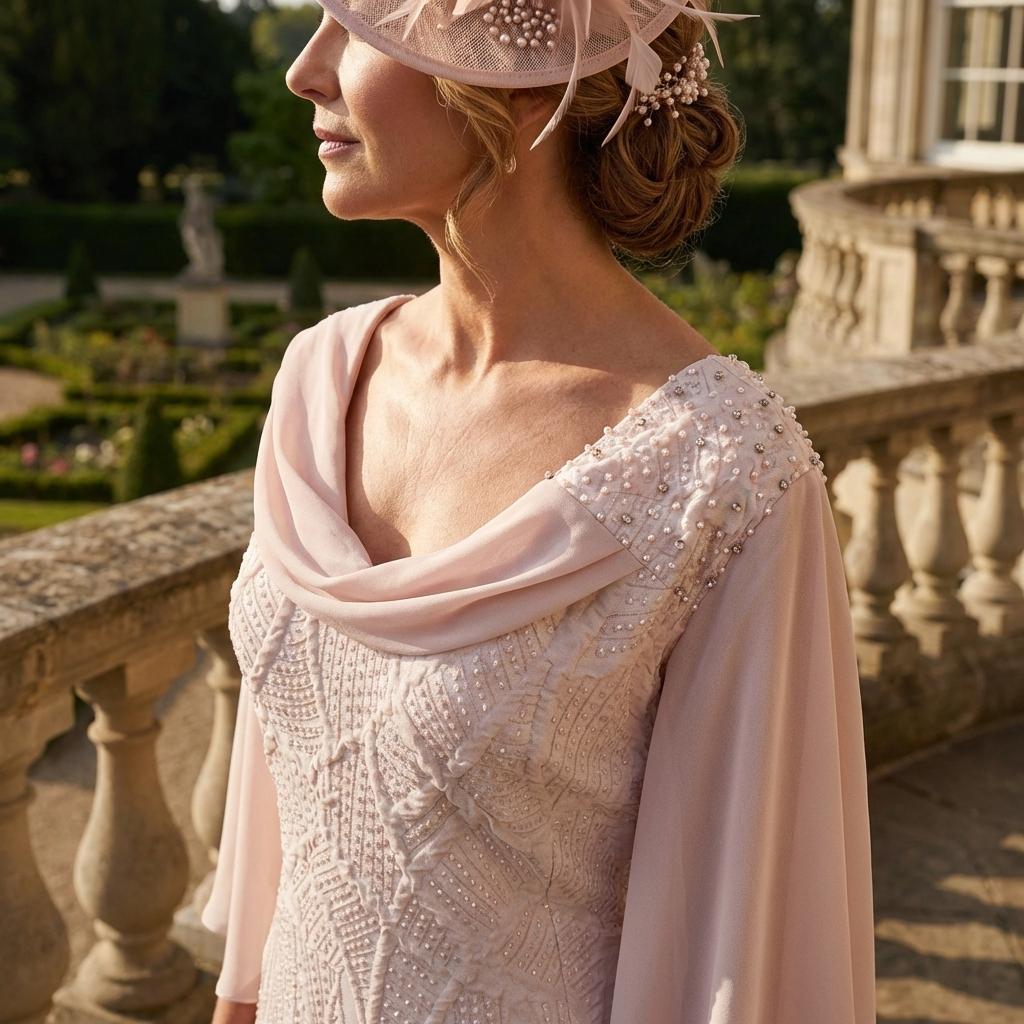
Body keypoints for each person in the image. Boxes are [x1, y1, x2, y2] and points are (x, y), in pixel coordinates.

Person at [201, 1, 877, 1022]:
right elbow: (287, 848)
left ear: (520, 77)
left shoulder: (722, 471)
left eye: (358, 23)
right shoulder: (319, 375)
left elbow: (745, 949)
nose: (305, 69)